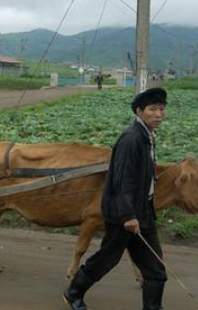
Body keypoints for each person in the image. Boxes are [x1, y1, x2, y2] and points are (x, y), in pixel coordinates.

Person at [64, 87, 168, 310]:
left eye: (161, 109)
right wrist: (128, 215)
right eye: (153, 109)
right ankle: (73, 292)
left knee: (155, 268)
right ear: (139, 111)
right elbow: (122, 182)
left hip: (143, 213)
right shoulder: (131, 139)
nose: (158, 114)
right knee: (107, 259)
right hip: (125, 216)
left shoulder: (148, 136)